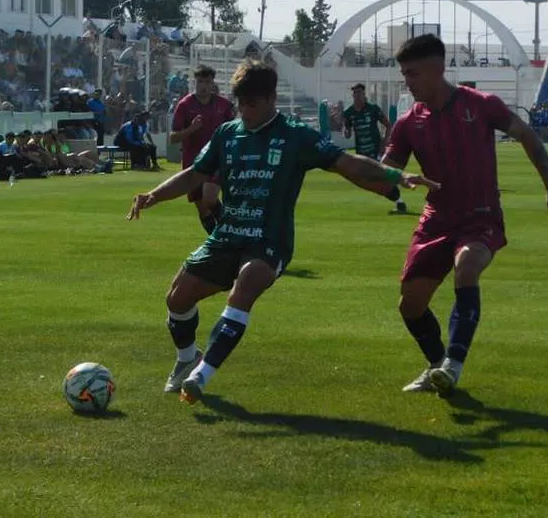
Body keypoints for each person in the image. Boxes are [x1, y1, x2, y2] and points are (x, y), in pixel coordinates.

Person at [126, 59, 439, 405]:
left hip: (269, 241)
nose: (245, 111)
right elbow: (194, 175)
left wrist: (396, 176)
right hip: (227, 235)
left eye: (252, 104)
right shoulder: (228, 134)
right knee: (177, 299)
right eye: (241, 103)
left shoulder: (295, 135)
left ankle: (202, 376)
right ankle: (188, 359)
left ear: (272, 99)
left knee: (245, 287)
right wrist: (154, 194)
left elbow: (347, 163)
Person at [383, 34, 548, 395]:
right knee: (411, 305)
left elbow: (529, 137)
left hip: (480, 216)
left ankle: (453, 364)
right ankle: (438, 365)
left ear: (438, 69)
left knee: (467, 266)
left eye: (414, 73)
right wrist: (397, 176)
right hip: (435, 219)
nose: (408, 81)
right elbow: (385, 168)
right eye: (405, 74)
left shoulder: (482, 105)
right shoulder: (408, 122)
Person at [170, 64, 235, 234]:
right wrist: (191, 129)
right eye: (200, 82)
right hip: (193, 162)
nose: (203, 86)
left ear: (213, 83)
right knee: (202, 208)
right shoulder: (185, 105)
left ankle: (230, 232)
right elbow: (173, 138)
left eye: (207, 82)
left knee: (209, 196)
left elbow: (236, 130)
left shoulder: (224, 105)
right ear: (194, 82)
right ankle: (218, 241)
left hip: (216, 159)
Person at [344, 83, 406, 213]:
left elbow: (389, 125)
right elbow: (348, 134)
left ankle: (400, 200)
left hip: (376, 150)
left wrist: (384, 142)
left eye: (359, 92)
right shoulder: (349, 113)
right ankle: (398, 194)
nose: (357, 95)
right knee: (370, 179)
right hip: (361, 153)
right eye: (355, 93)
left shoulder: (372, 109)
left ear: (364, 94)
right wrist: (342, 124)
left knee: (379, 177)